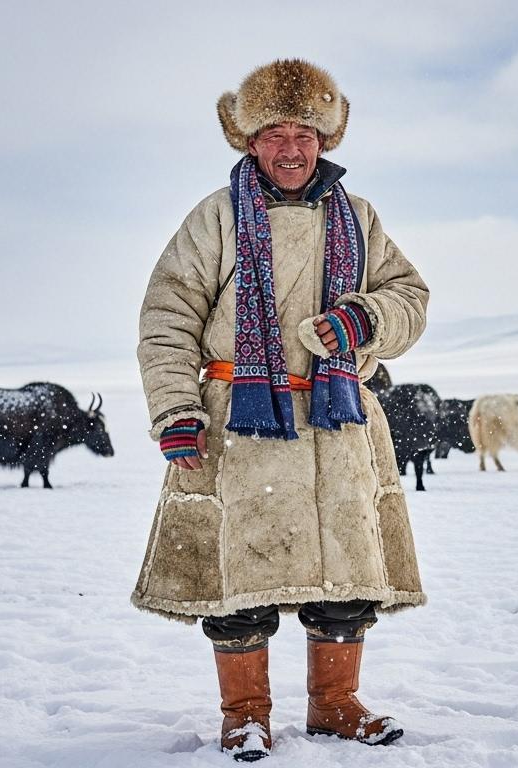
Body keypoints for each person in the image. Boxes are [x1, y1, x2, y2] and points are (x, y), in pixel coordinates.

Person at [131, 59, 429, 761]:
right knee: (243, 579)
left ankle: (334, 704)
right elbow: (167, 315)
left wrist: (362, 321)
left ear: (326, 139)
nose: (290, 149)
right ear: (247, 139)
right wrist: (175, 406)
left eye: (305, 133)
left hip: (336, 420)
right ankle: (245, 713)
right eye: (274, 133)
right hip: (242, 420)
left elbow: (410, 298)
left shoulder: (358, 218)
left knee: (345, 573)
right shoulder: (215, 217)